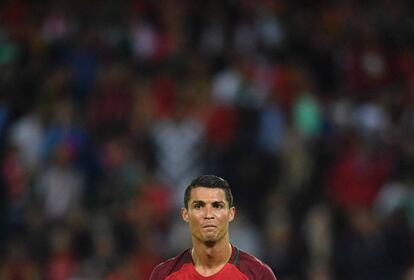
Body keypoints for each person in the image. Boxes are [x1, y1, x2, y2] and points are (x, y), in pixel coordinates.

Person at [150, 175, 277, 279]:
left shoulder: (258, 274)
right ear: (185, 214)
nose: (209, 215)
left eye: (217, 206)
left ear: (231, 214)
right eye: (199, 206)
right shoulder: (164, 275)